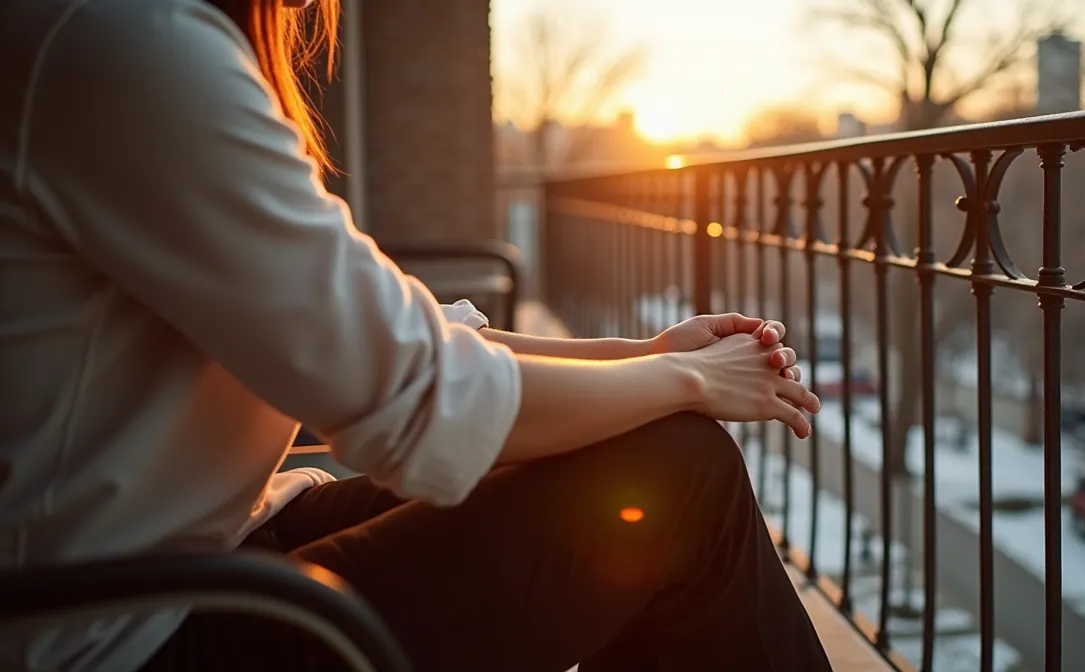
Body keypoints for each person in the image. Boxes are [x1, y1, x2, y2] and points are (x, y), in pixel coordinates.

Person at [0, 0, 833, 670]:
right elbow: (421, 403)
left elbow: (394, 334)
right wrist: (688, 383)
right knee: (675, 473)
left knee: (655, 448)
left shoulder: (118, 39)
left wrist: (638, 360)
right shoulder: (121, 45)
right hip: (114, 629)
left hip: (205, 548)